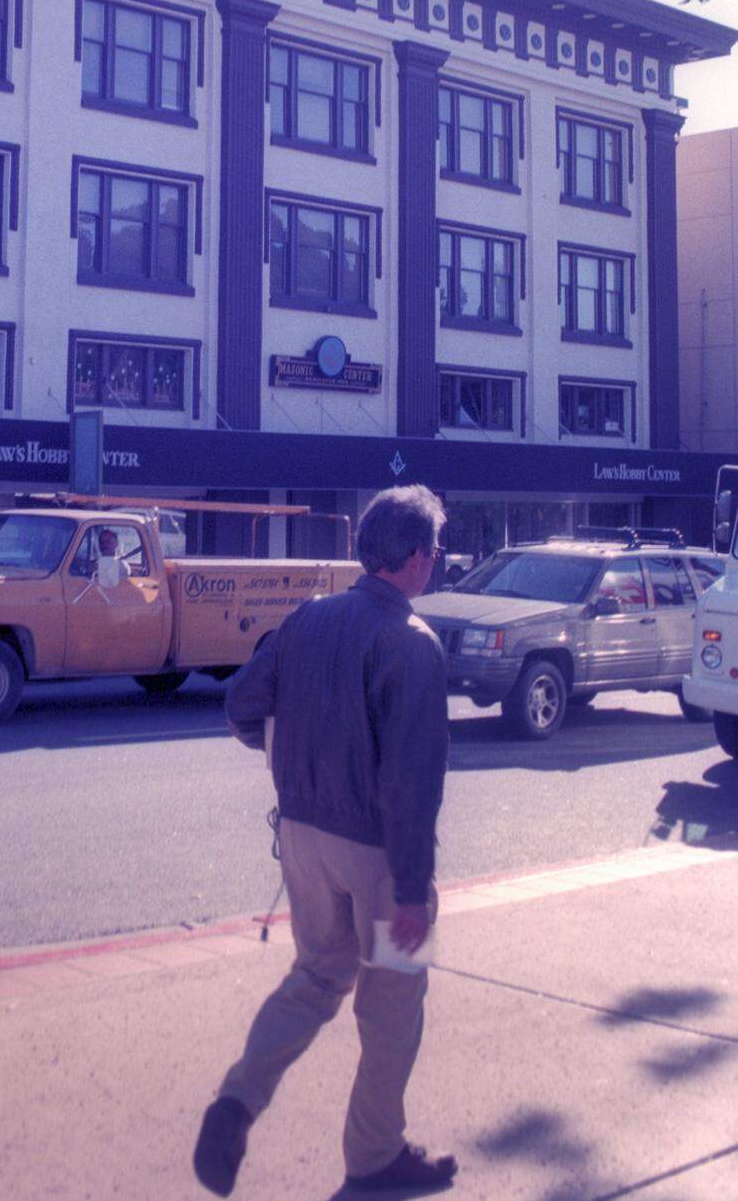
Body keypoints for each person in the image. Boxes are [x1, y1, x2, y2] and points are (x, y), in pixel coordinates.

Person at [193, 484, 456, 1197]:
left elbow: (242, 704)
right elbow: (412, 784)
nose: (435, 562)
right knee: (393, 1003)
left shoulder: (308, 618)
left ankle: (236, 1101)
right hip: (378, 853)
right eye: (434, 550)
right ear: (414, 559)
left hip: (303, 842)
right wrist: (410, 890)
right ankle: (374, 1157)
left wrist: (293, 756)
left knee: (315, 976)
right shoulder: (413, 643)